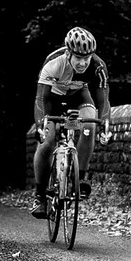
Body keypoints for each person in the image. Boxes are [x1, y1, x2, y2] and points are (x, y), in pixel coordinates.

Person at [29, 27, 112, 219]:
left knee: (89, 126)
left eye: (87, 58)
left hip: (78, 96)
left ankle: (79, 179)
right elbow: (40, 98)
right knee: (47, 142)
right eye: (78, 58)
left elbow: (103, 101)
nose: (83, 63)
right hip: (52, 100)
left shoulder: (98, 66)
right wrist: (41, 124)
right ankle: (40, 196)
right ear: (68, 53)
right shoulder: (53, 62)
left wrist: (105, 124)